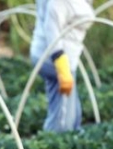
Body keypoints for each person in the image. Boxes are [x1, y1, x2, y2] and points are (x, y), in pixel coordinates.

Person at [29, 0, 94, 133]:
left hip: (53, 56)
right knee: (64, 121)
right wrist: (60, 63)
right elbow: (51, 28)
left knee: (72, 114)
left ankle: (64, 140)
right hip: (55, 58)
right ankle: (52, 146)